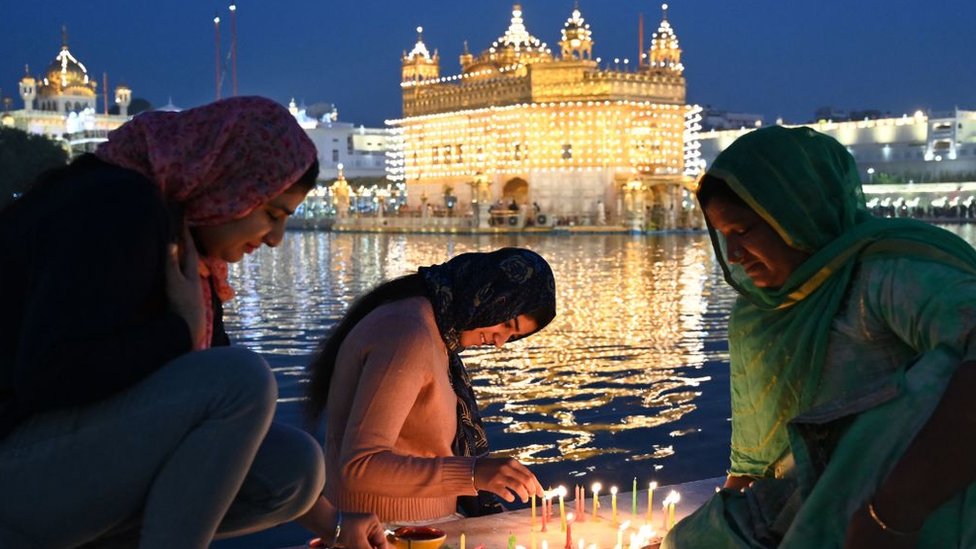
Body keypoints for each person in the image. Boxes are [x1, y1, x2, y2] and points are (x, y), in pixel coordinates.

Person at [0, 96, 381, 549]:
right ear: (230, 183)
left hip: (64, 467)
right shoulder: (118, 206)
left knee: (295, 468)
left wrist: (336, 526)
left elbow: (216, 416)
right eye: (271, 214)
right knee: (242, 380)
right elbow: (51, 373)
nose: (276, 239)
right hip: (16, 467)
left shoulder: (188, 253)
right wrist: (179, 330)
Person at [664, 125, 976, 548]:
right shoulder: (758, 311)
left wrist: (896, 510)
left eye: (745, 232)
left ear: (799, 212)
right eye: (723, 237)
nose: (733, 256)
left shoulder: (887, 274)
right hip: (807, 501)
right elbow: (753, 465)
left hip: (915, 498)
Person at [301, 248, 556, 525]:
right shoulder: (408, 335)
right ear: (487, 293)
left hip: (419, 527)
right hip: (387, 533)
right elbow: (359, 467)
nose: (499, 341)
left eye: (512, 336)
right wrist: (473, 474)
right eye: (506, 323)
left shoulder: (429, 328)